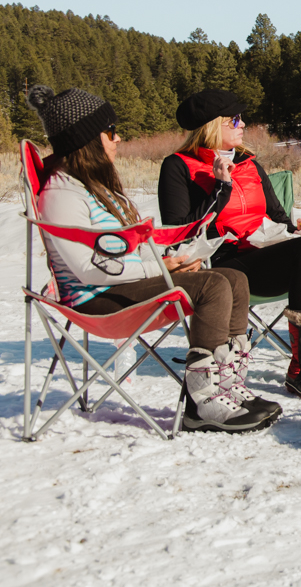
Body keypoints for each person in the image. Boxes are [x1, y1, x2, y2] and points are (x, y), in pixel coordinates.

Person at [25, 85, 281, 433]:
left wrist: (172, 257)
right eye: (111, 132)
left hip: (122, 285)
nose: (118, 139)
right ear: (88, 139)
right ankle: (202, 401)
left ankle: (227, 387)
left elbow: (123, 249)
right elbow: (89, 268)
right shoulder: (61, 193)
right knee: (213, 284)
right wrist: (159, 268)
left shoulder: (94, 188)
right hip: (97, 300)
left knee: (233, 279)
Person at [158, 90, 301, 399]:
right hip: (226, 263)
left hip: (266, 252)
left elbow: (277, 217)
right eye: (234, 119)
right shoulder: (178, 166)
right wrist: (220, 188)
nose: (243, 124)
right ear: (213, 125)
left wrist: (300, 227)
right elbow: (180, 236)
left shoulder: (249, 163)